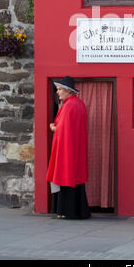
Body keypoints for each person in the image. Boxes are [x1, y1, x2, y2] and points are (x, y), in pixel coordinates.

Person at [46, 76, 91, 219]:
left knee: (64, 176)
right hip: (76, 147)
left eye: (59, 90)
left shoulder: (68, 106)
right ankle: (77, 210)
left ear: (68, 91)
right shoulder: (79, 104)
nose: (58, 93)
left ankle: (65, 210)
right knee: (76, 181)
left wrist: (53, 127)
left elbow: (62, 129)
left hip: (66, 149)